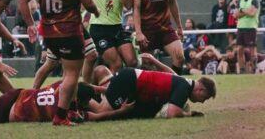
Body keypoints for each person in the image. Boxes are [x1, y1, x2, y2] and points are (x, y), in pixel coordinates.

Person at [18, 0, 100, 126]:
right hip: (70, 31)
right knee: (71, 74)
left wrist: (30, 24)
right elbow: (88, 3)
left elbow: (22, 0)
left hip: (49, 33)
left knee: (60, 69)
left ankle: (70, 111)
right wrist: (95, 11)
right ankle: (61, 115)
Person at [32, 0, 98, 87]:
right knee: (53, 64)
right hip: (60, 26)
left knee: (91, 56)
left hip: (72, 24)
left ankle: (84, 93)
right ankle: (33, 94)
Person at [88, 67, 216, 120]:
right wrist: (189, 114)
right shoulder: (184, 88)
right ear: (201, 90)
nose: (202, 102)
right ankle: (78, 97)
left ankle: (87, 92)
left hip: (131, 81)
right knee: (100, 112)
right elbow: (172, 112)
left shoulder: (184, 84)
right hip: (130, 82)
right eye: (204, 98)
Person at [88, 0, 137, 72]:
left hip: (117, 28)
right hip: (99, 29)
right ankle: (114, 89)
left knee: (132, 62)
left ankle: (129, 88)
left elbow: (129, 5)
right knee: (117, 64)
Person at [234, 0, 261, 74]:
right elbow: (235, 15)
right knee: (239, 50)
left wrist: (242, 10)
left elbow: (252, 13)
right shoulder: (240, 0)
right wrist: (245, 11)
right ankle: (242, 70)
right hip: (241, 27)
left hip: (250, 27)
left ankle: (254, 70)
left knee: (252, 50)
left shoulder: (255, 0)